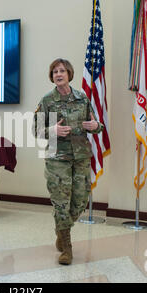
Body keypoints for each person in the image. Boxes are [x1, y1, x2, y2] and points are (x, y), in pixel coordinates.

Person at [33, 59, 103, 265]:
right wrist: (52, 131)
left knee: (80, 200)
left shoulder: (82, 98)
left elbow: (97, 126)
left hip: (81, 156)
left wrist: (95, 125)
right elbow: (35, 130)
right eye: (54, 71)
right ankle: (67, 247)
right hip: (57, 158)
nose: (58, 74)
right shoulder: (47, 101)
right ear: (52, 76)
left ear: (69, 74)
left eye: (62, 70)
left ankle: (61, 231)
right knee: (61, 202)